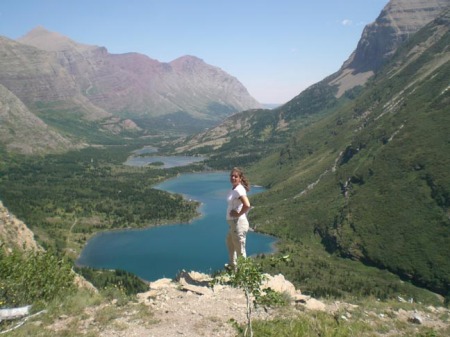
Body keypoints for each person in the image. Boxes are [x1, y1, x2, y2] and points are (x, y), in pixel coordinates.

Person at [226, 167, 251, 269]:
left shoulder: (239, 190)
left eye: (235, 176)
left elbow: (247, 205)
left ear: (240, 178)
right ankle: (233, 265)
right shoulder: (235, 189)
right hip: (234, 224)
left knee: (240, 249)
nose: (233, 178)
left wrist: (238, 214)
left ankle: (243, 274)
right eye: (231, 176)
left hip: (238, 223)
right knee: (230, 242)